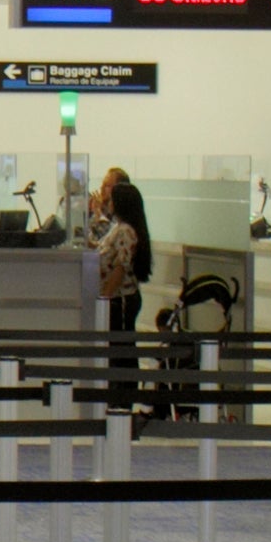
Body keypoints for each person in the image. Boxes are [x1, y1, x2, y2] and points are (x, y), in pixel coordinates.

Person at [89, 163, 155, 423]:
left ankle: (123, 399)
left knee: (122, 348)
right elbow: (101, 249)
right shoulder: (118, 227)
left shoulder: (126, 231)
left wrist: (104, 296)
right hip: (114, 299)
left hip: (122, 299)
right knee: (116, 348)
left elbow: (121, 266)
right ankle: (118, 397)